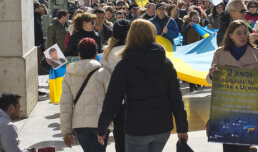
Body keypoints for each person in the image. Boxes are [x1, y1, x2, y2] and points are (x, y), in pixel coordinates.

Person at [97, 19, 188, 151]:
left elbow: (113, 99)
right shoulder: (166, 63)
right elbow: (176, 97)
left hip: (136, 127)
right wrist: (182, 128)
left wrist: (102, 127)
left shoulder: (125, 65)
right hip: (162, 126)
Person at [207, 20, 258, 152]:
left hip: (247, 107)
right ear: (230, 35)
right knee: (228, 144)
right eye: (238, 33)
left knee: (244, 144)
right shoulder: (219, 53)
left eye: (245, 33)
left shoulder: (255, 53)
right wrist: (212, 74)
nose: (242, 36)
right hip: (226, 107)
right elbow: (211, 82)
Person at [60, 38, 112, 151]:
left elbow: (65, 105)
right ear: (96, 54)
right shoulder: (103, 73)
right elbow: (112, 100)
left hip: (79, 126)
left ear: (79, 54)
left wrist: (66, 132)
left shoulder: (68, 75)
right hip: (100, 125)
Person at [100, 19, 131, 152]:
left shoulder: (106, 54)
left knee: (120, 138)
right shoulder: (134, 52)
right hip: (135, 101)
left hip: (115, 102)